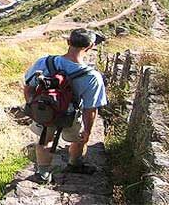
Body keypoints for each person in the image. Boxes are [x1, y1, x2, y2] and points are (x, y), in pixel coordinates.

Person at [23, 28, 108, 184]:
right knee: (79, 139)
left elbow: (28, 87)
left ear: (68, 42)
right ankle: (75, 164)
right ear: (90, 47)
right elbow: (90, 109)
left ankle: (43, 173)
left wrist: (33, 107)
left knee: (44, 140)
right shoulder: (92, 77)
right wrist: (88, 131)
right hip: (70, 116)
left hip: (45, 110)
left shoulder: (45, 62)